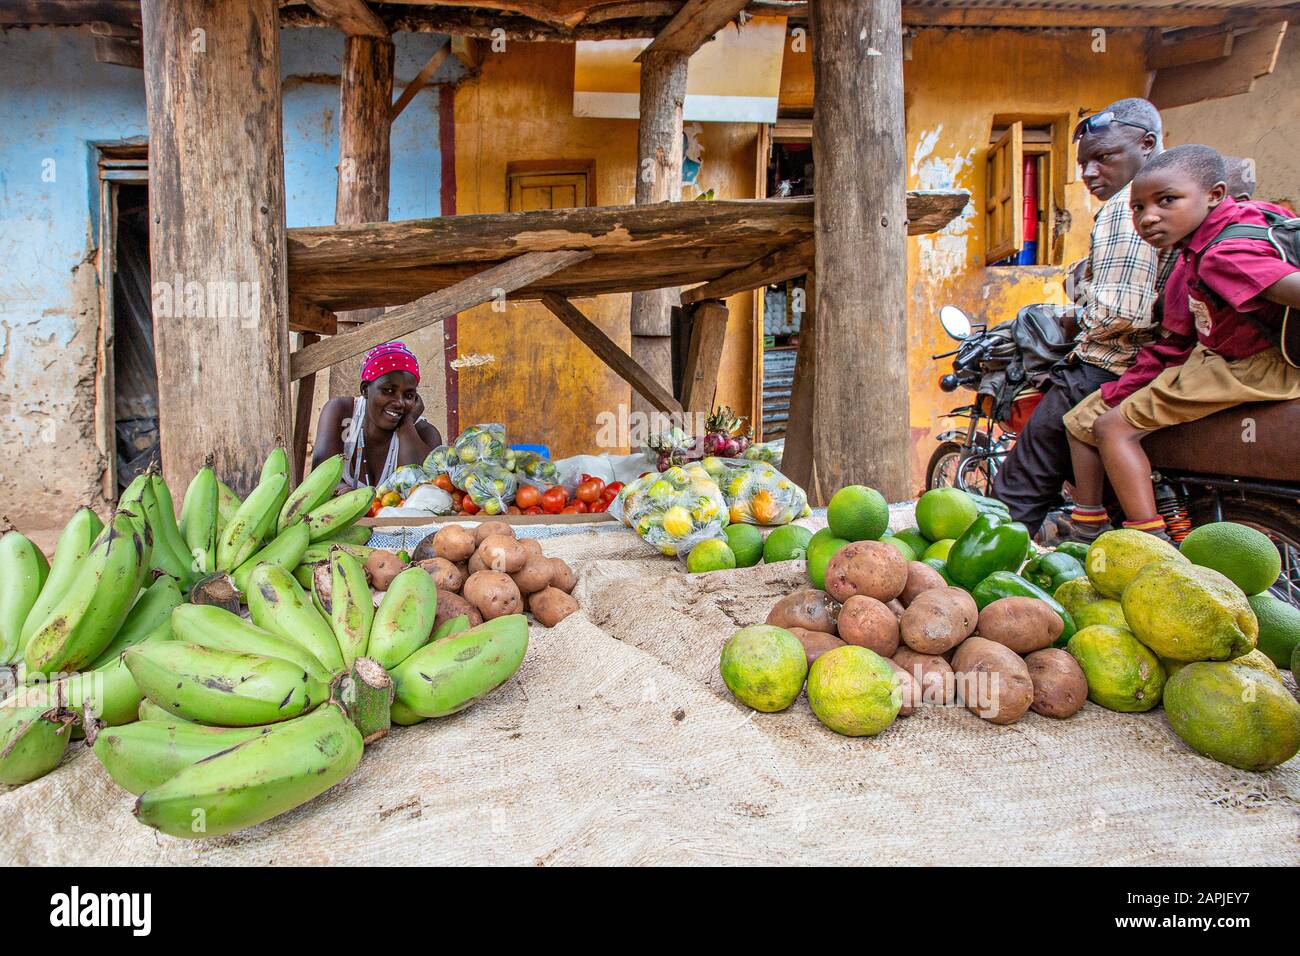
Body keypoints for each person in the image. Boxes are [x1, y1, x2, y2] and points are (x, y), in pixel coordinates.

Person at [1062, 145, 1300, 539]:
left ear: (1215, 195)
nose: (1148, 217)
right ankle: (1087, 523)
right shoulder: (1238, 227)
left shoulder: (1222, 254)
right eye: (1137, 208)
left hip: (1249, 366)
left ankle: (1146, 539)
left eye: (1167, 201)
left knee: (1111, 430)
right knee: (1080, 419)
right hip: (1221, 356)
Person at [990, 99, 1176, 539]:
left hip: (1106, 366)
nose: (1090, 172)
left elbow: (1119, 315)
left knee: (1022, 480)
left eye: (1103, 157)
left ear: (1147, 144)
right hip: (1157, 364)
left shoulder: (1126, 206)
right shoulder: (1172, 199)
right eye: (1084, 163)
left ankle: (985, 576)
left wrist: (1075, 318)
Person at [313, 341, 442, 489]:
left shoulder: (425, 434)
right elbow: (320, 480)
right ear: (365, 390)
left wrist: (407, 424)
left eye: (409, 395)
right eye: (388, 390)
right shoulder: (341, 414)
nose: (399, 402)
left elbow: (420, 491)